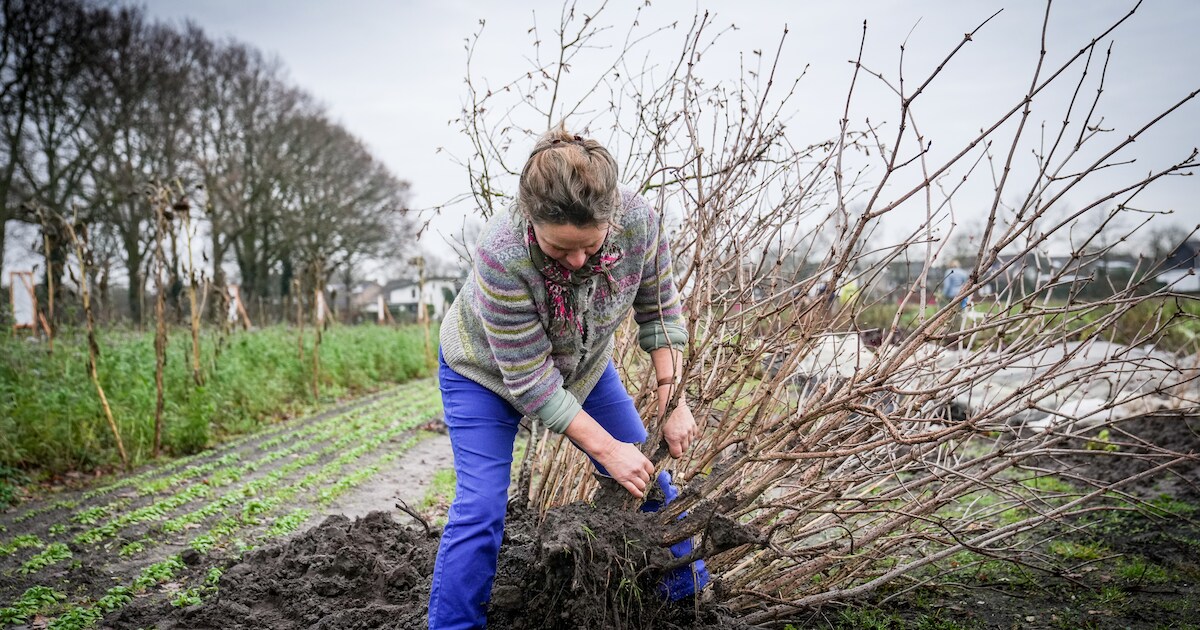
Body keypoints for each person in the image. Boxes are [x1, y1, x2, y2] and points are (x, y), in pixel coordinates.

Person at [428, 126, 709, 629]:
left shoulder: (639, 222)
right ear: (531, 222)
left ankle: (686, 608)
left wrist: (673, 403)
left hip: (582, 368)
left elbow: (661, 313)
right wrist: (607, 449)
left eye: (590, 246)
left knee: (649, 483)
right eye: (561, 251)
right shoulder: (502, 253)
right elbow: (532, 382)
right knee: (481, 509)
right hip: (484, 374)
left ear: (611, 218)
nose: (578, 262)